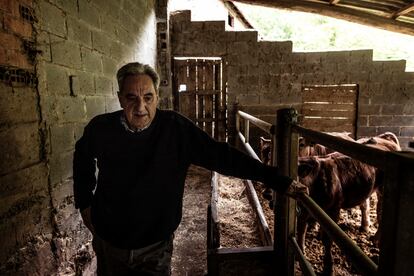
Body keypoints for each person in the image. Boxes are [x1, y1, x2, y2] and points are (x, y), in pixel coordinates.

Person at [73, 62, 305, 276]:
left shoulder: (175, 129)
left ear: (157, 97)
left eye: (148, 97)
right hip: (110, 241)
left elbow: (221, 156)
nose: (140, 106)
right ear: (120, 98)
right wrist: (84, 202)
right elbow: (82, 157)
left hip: (156, 243)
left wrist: (276, 179)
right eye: (131, 98)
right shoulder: (101, 128)